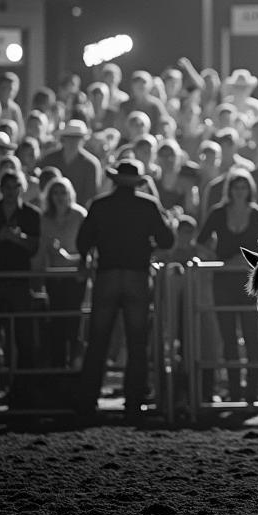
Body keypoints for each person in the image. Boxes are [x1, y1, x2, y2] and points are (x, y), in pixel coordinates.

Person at [75, 159, 175, 422]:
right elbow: (167, 240)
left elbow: (82, 239)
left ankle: (86, 402)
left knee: (97, 341)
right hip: (136, 275)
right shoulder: (148, 205)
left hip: (107, 274)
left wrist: (87, 256)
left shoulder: (100, 205)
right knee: (137, 342)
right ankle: (134, 402)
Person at [196, 169, 258, 404]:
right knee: (228, 338)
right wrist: (218, 259)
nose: (239, 191)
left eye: (243, 187)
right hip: (223, 281)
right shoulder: (218, 212)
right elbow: (200, 242)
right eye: (236, 187)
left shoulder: (257, 214)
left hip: (249, 281)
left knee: (251, 335)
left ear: (249, 190)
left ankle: (252, 391)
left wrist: (241, 260)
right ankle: (235, 390)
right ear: (229, 189)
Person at [0, 168, 41, 410]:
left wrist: (15, 239)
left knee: (24, 338)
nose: (11, 192)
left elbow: (34, 247)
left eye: (15, 187)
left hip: (18, 282)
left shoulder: (32, 214)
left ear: (21, 188)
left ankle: (23, 396)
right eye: (7, 188)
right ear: (1, 189)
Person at [34, 176, 87, 370]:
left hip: (76, 278)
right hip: (54, 279)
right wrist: (36, 278)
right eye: (55, 192)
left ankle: (75, 370)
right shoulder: (44, 219)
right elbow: (40, 252)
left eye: (63, 192)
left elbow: (88, 252)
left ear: (69, 193)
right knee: (56, 325)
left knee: (74, 325)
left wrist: (67, 258)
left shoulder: (80, 215)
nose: (59, 197)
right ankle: (57, 371)